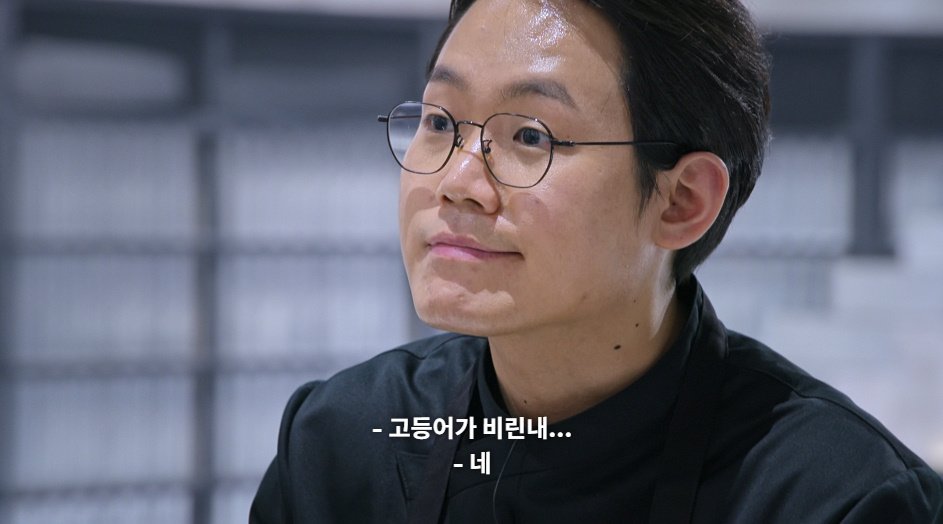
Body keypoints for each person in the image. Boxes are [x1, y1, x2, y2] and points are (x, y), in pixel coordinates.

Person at [250, 0, 943, 522]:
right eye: (439, 122)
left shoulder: (836, 498)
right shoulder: (345, 439)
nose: (457, 181)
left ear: (681, 202)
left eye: (530, 135)